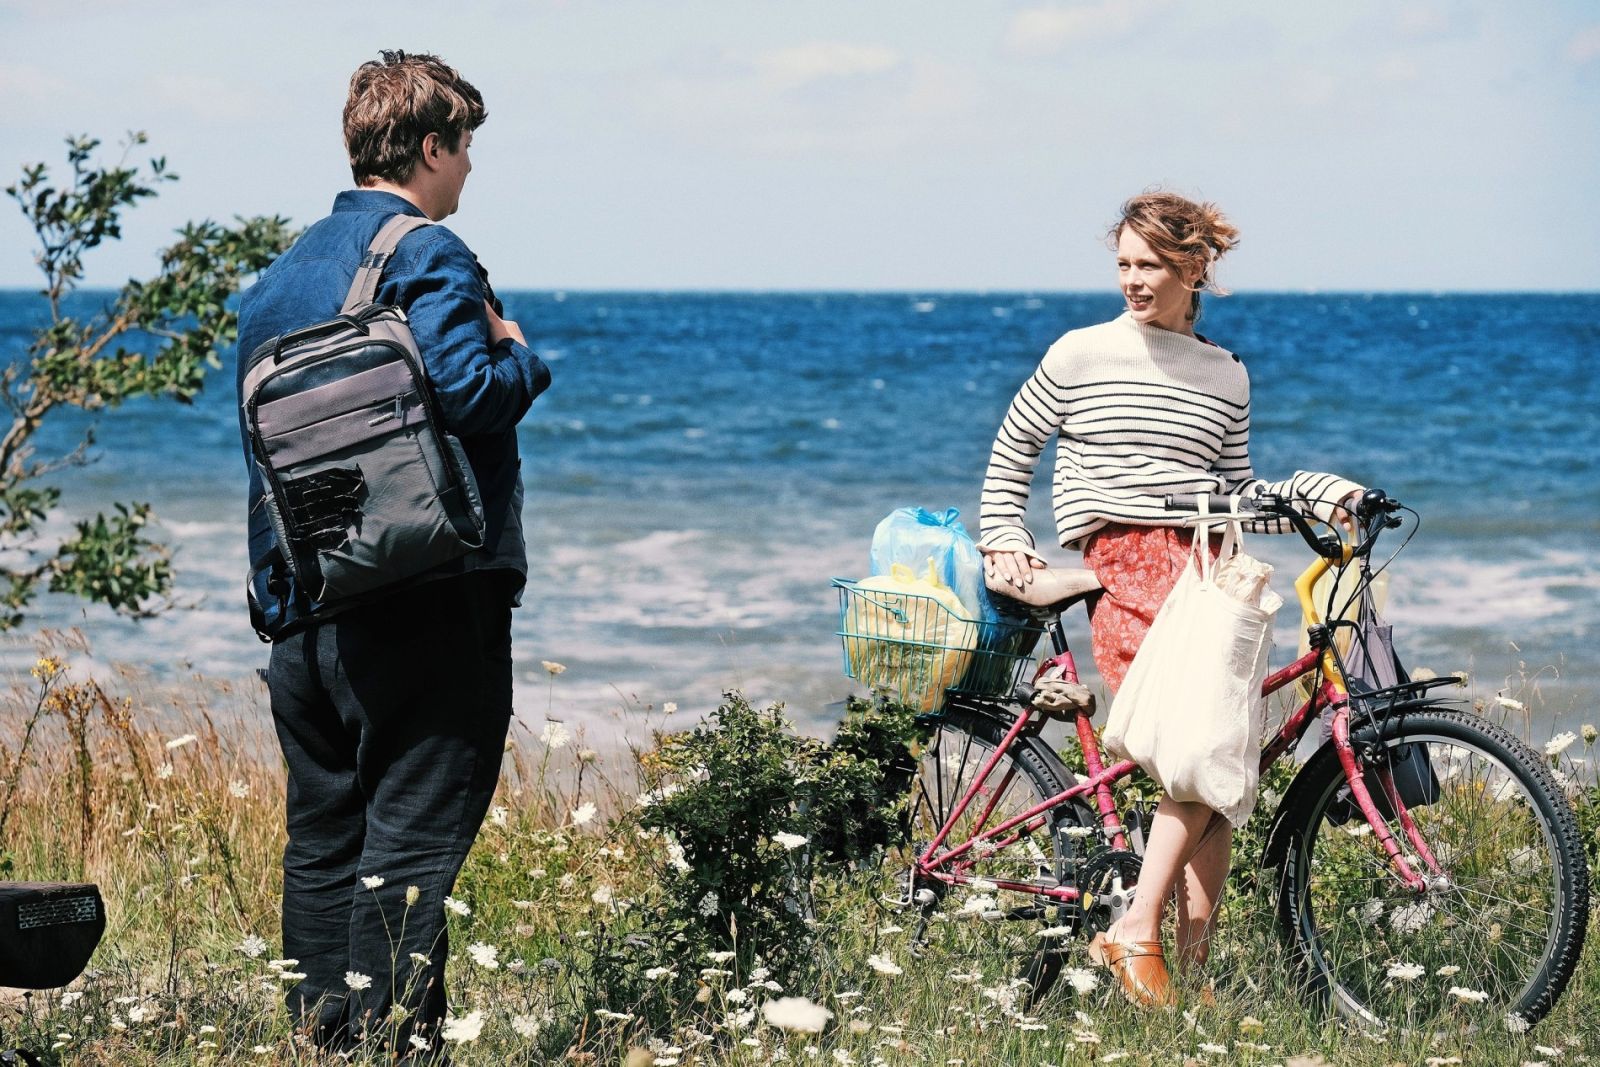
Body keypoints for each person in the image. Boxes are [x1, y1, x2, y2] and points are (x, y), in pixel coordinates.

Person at [235, 51, 550, 1056]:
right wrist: (521, 353)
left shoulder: (279, 277)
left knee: (324, 842)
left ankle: (324, 1042)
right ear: (429, 145)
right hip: (427, 603)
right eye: (465, 147)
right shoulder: (429, 254)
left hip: (307, 607)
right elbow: (471, 393)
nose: (471, 169)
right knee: (411, 848)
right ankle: (393, 1048)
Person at [977, 191, 1362, 1006]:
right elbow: (1014, 448)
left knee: (1219, 763)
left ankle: (1191, 970)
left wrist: (1318, 494)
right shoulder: (1081, 353)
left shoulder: (1226, 375)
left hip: (1209, 564)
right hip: (1122, 559)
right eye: (1123, 263)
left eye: (1149, 265)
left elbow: (1236, 490)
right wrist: (1003, 533)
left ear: (1193, 268)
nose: (1133, 280)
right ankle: (1136, 927)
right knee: (1198, 749)